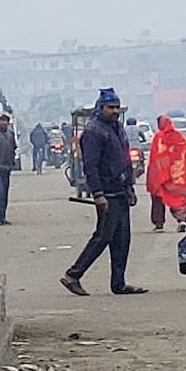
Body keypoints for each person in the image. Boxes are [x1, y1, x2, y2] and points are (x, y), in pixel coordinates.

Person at [60, 88, 147, 297]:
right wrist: (97, 194)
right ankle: (73, 274)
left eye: (117, 107)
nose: (115, 111)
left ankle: (119, 282)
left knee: (122, 239)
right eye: (111, 107)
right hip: (107, 193)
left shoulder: (117, 128)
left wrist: (130, 187)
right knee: (103, 237)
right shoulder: (93, 132)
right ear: (101, 108)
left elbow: (125, 159)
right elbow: (90, 166)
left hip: (121, 191)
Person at [146, 114, 186, 232]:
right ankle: (182, 220)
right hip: (177, 174)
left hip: (161, 174)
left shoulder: (159, 137)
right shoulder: (179, 137)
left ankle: (159, 223)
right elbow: (185, 152)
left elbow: (155, 157)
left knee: (158, 197)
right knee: (178, 197)